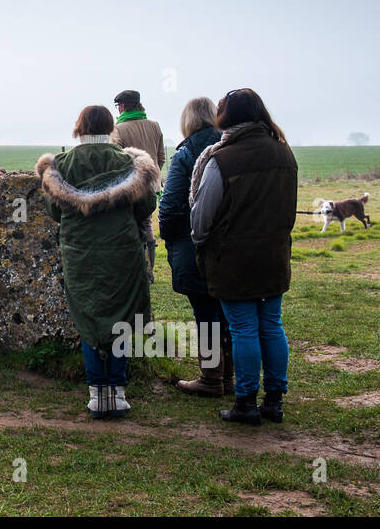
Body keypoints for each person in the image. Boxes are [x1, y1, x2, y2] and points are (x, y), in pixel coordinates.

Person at [37, 104, 159, 419]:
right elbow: (146, 205)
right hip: (122, 251)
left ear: (79, 128)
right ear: (110, 128)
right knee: (121, 317)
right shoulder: (130, 163)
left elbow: (54, 211)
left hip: (79, 254)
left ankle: (96, 394)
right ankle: (117, 392)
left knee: (88, 317)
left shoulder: (59, 166)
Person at [190, 88, 298, 425]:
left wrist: (200, 242)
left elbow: (202, 216)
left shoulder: (222, 159)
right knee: (271, 324)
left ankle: (246, 402)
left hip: (232, 258)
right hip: (274, 253)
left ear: (229, 116)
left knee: (243, 330)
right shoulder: (285, 153)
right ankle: (275, 400)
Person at [158, 97, 231, 397]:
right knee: (228, 311)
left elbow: (171, 203)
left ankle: (212, 377)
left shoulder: (187, 151)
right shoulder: (229, 145)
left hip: (193, 242)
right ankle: (230, 376)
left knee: (205, 313)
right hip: (229, 242)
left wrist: (168, 236)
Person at [111, 89, 165, 278]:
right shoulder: (155, 126)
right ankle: (150, 271)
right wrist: (153, 177)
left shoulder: (118, 129)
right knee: (147, 224)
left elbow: (116, 161)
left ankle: (137, 270)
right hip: (151, 186)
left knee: (130, 225)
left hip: (130, 186)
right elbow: (161, 157)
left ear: (123, 107)